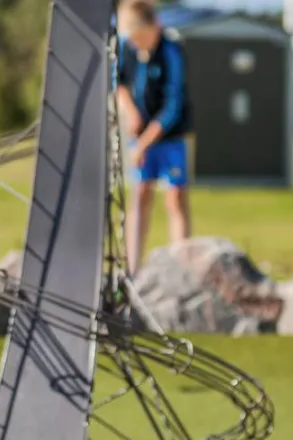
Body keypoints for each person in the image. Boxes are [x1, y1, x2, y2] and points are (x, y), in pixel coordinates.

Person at [116, 0, 193, 276]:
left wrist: (144, 142)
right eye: (132, 39)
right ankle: (133, 269)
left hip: (168, 137)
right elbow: (119, 83)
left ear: (154, 27)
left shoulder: (171, 51)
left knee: (175, 197)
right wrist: (131, 112)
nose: (136, 44)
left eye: (139, 38)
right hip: (140, 137)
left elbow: (173, 106)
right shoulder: (128, 48)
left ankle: (181, 266)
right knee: (140, 195)